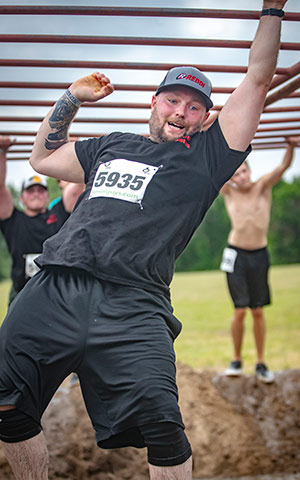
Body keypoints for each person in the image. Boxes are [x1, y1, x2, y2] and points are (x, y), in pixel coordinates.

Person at [0, 3, 288, 479]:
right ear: (153, 103)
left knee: (162, 426)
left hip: (134, 303)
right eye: (173, 100)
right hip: (56, 286)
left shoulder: (208, 159)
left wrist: (273, 9)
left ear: (204, 117)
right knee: (6, 398)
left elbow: (257, 78)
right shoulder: (110, 144)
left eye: (194, 106)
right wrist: (71, 98)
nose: (181, 111)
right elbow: (44, 158)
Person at [221, 136, 299, 383]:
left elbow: (283, 167)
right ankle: (235, 360)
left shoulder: (262, 187)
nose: (240, 177)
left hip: (259, 254)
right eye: (235, 174)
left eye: (243, 172)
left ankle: (261, 362)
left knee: (257, 311)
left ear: (250, 171)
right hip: (236, 255)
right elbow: (207, 174)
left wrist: (290, 146)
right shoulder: (229, 192)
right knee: (240, 310)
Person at [0, 136, 84, 306]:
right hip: (21, 294)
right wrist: (2, 153)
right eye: (31, 191)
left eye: (41, 190)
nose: (36, 193)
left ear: (47, 196)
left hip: (57, 294)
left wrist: (75, 149)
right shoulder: (14, 220)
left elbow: (76, 188)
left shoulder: (59, 213)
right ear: (22, 198)